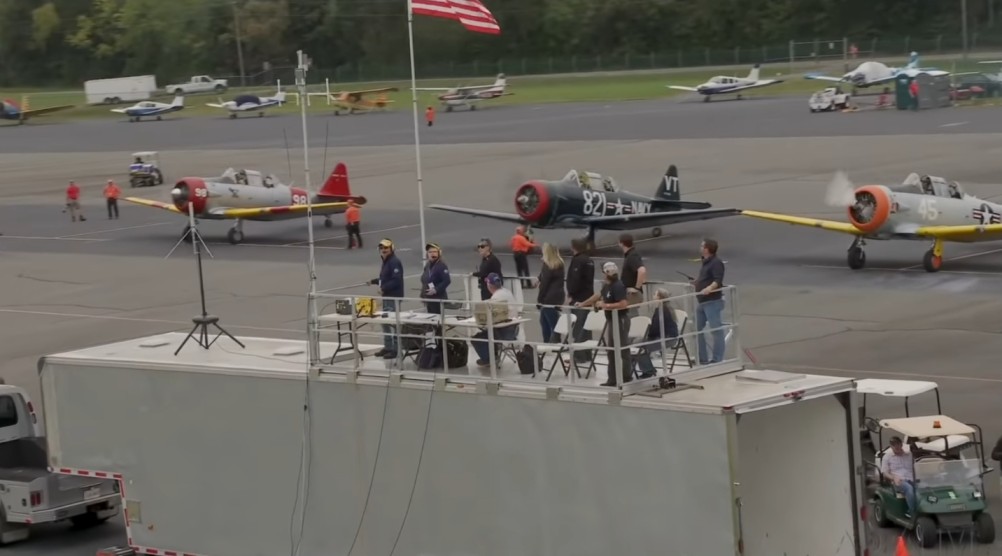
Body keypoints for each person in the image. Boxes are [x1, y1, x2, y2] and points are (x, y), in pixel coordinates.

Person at [577, 261, 631, 387]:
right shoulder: (607, 285)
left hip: (620, 319)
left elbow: (623, 304)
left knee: (622, 349)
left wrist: (605, 305)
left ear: (607, 273)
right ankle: (613, 378)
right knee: (611, 350)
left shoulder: (618, 286)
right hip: (611, 319)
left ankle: (625, 376)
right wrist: (583, 303)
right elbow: (598, 295)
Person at [470, 273, 517, 368]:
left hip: (504, 331)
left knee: (477, 338)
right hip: (514, 328)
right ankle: (492, 356)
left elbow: (493, 317)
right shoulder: (507, 292)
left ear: (489, 285)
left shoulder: (496, 298)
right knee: (486, 333)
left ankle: (488, 359)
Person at [692, 238, 726, 364]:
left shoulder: (716, 263)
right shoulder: (705, 262)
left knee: (716, 330)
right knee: (695, 328)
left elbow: (718, 280)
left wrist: (709, 288)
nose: (700, 248)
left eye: (702, 246)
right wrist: (697, 282)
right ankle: (702, 357)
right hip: (702, 301)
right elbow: (706, 277)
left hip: (712, 301)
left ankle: (717, 359)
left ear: (707, 249)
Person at [370, 238, 404, 359]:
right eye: (382, 248)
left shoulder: (394, 262)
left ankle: (395, 349)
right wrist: (374, 281)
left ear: (391, 248)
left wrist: (384, 288)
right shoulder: (386, 261)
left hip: (393, 296)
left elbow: (396, 280)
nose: (383, 250)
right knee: (385, 322)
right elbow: (386, 278)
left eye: (386, 248)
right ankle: (388, 346)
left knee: (393, 323)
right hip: (387, 296)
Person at [633, 289, 679, 378]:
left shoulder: (662, 310)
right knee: (636, 342)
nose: (653, 295)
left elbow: (656, 328)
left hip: (667, 338)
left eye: (655, 294)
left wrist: (648, 336)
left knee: (639, 346)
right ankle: (643, 367)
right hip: (664, 336)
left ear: (659, 297)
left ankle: (648, 370)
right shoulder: (664, 308)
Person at [565, 237, 595, 363]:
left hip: (579, 298)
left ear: (574, 247)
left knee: (578, 328)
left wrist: (570, 293)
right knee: (587, 328)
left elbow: (575, 279)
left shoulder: (578, 261)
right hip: (588, 296)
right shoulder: (589, 260)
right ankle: (587, 354)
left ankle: (579, 356)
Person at [535, 243, 565, 342]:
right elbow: (546, 277)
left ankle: (551, 344)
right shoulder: (559, 263)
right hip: (558, 296)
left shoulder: (548, 265)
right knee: (547, 321)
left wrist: (539, 300)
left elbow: (544, 284)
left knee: (550, 324)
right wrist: (540, 276)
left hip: (548, 299)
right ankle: (551, 343)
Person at [881, 436, 918, 517]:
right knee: (909, 488)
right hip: (898, 481)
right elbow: (885, 473)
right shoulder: (887, 457)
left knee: (925, 487)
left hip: (911, 478)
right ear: (891, 446)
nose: (896, 446)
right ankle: (913, 512)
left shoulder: (909, 455)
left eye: (898, 444)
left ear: (901, 444)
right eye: (894, 445)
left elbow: (916, 467)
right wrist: (893, 477)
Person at [619, 233, 646, 316]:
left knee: (631, 317)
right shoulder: (631, 255)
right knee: (630, 316)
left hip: (632, 294)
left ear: (621, 243)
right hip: (630, 293)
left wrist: (636, 288)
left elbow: (642, 270)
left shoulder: (632, 256)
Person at [420, 242, 451, 314]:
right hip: (429, 297)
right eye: (430, 252)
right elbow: (425, 279)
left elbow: (447, 280)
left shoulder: (441, 265)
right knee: (431, 318)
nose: (432, 254)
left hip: (437, 298)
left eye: (434, 252)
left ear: (439, 253)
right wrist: (423, 294)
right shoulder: (428, 265)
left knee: (437, 319)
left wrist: (436, 290)